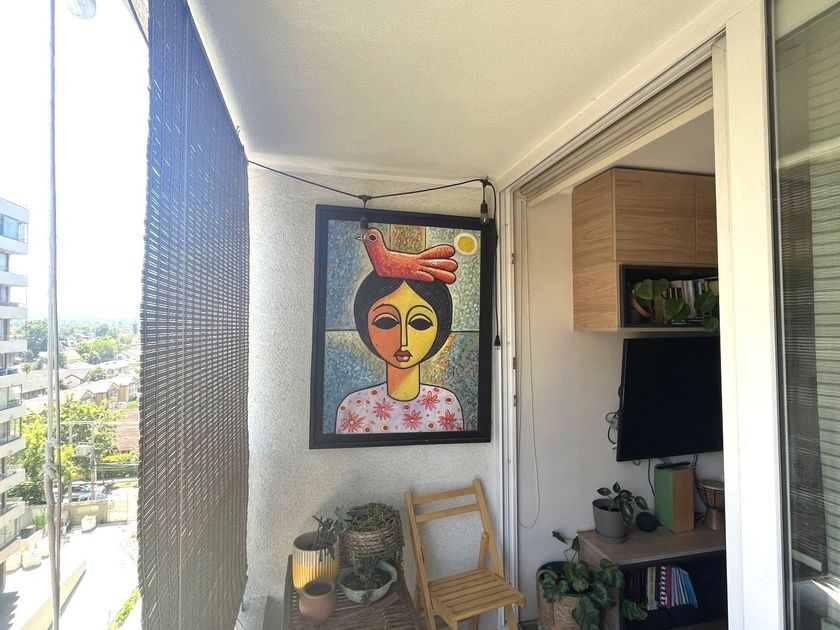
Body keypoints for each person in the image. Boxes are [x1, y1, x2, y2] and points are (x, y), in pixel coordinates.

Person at [335, 270, 464, 434]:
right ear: (365, 326)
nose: (403, 340)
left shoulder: (446, 404)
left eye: (419, 323)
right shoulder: (354, 407)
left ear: (440, 329)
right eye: (386, 322)